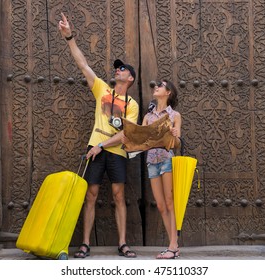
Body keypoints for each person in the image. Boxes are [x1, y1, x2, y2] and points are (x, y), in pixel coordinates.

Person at [58, 13, 138, 258]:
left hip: (111, 151)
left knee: (118, 195)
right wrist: (69, 37)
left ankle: (123, 243)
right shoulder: (102, 89)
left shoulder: (132, 104)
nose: (118, 70)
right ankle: (85, 243)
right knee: (90, 195)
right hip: (96, 149)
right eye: (117, 68)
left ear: (130, 77)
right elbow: (82, 64)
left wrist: (101, 145)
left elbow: (126, 135)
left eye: (122, 69)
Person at [142, 79, 181, 259]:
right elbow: (141, 141)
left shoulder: (175, 116)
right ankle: (173, 245)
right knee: (159, 204)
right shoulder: (148, 117)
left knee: (169, 201)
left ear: (168, 93)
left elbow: (178, 144)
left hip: (166, 159)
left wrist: (175, 135)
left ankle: (173, 246)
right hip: (152, 160)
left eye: (161, 85)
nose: (156, 87)